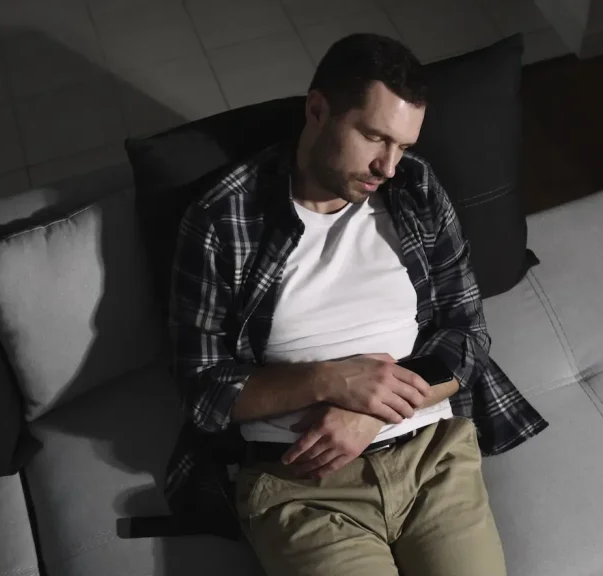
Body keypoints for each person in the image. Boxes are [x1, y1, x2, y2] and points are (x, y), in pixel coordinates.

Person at [165, 33, 548, 575]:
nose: (388, 166)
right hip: (302, 487)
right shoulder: (223, 219)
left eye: (403, 147)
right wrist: (330, 380)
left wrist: (367, 411)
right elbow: (202, 390)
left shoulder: (414, 190)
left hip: (432, 456)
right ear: (318, 110)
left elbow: (466, 337)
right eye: (374, 137)